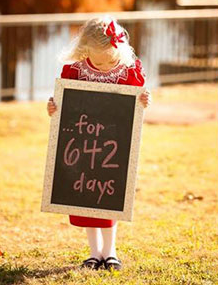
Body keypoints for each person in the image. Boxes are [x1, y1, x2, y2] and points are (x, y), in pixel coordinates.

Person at [47, 16, 151, 271]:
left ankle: (110, 251)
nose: (105, 66)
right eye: (100, 60)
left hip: (113, 148)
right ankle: (94, 253)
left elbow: (134, 107)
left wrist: (144, 102)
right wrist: (53, 107)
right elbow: (65, 106)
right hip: (82, 146)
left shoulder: (128, 70)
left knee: (109, 199)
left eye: (111, 60)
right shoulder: (75, 71)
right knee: (85, 199)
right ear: (85, 51)